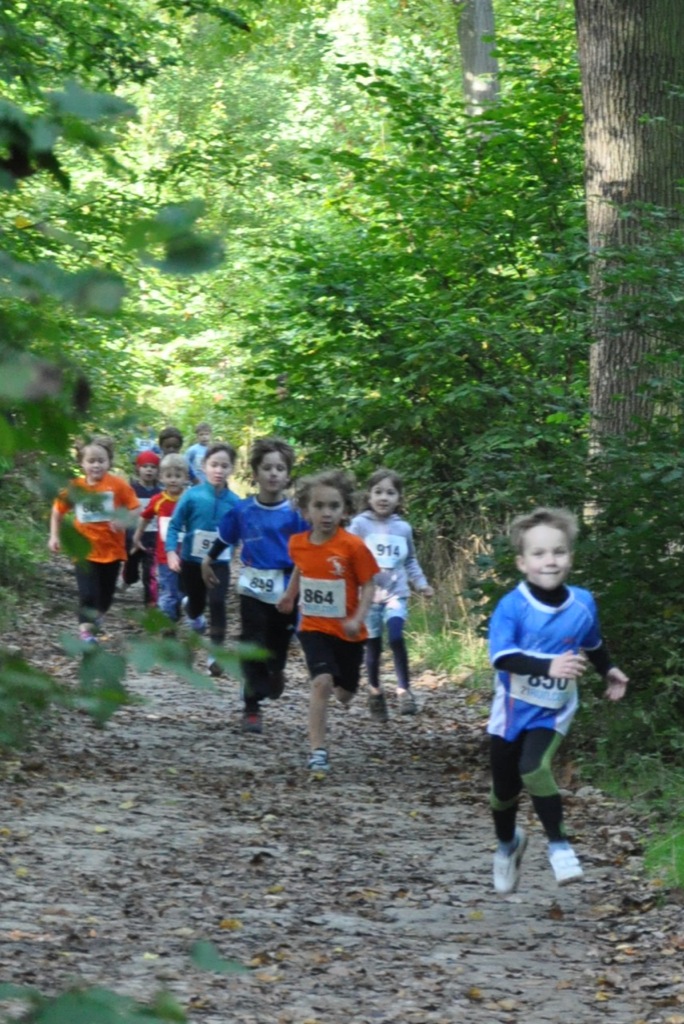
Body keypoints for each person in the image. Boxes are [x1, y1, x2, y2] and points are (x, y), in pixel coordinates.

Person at [487, 506, 629, 894]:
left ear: (570, 557)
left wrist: (608, 669)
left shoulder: (582, 602)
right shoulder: (512, 606)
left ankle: (559, 846)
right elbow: (502, 657)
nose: (550, 560)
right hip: (511, 709)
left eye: (559, 552)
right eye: (539, 553)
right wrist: (549, 666)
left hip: (554, 709)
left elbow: (592, 642)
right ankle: (507, 845)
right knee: (503, 791)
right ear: (522, 562)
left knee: (534, 767)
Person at [201, 437, 308, 734]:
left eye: (280, 469)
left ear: (287, 475)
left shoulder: (296, 514)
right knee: (251, 642)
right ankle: (251, 707)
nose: (273, 474)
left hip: (286, 586)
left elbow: (309, 552)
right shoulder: (243, 510)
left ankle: (276, 670)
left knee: (276, 647)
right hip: (252, 586)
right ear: (255, 473)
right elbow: (225, 537)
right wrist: (207, 560)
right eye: (267, 468)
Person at [277, 469, 379, 774]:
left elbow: (369, 584)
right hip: (313, 627)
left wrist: (358, 618)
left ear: (345, 510)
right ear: (305, 511)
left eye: (334, 506)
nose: (326, 513)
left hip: (348, 632)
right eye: (319, 506)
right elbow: (302, 567)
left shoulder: (353, 546)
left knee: (345, 693)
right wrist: (289, 595)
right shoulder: (298, 543)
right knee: (321, 682)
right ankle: (317, 751)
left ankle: (343, 684)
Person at [349, 468, 433, 719]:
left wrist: (421, 584)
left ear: (399, 498)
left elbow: (410, 560)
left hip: (396, 593)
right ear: (369, 496)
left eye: (390, 493)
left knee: (396, 636)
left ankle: (404, 690)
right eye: (378, 492)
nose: (384, 498)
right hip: (368, 597)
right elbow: (348, 553)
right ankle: (375, 691)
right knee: (373, 646)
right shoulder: (360, 525)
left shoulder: (403, 528)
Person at [48, 436, 140, 643]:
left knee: (105, 597)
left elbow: (135, 509)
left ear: (109, 462)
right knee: (87, 594)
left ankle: (98, 617)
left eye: (101, 460)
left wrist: (123, 521)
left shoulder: (118, 485)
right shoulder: (75, 487)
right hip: (84, 551)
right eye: (91, 461)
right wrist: (54, 535)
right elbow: (57, 511)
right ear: (82, 463)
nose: (96, 465)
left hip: (112, 551)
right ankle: (86, 635)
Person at [165, 442, 239, 675]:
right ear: (204, 466)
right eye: (214, 465)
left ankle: (215, 656)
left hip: (219, 563)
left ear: (232, 469)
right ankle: (193, 614)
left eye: (224, 466)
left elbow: (241, 533)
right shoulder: (192, 496)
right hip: (192, 562)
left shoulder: (235, 502)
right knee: (196, 606)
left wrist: (240, 552)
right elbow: (174, 525)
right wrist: (170, 551)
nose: (219, 470)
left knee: (217, 603)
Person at [131, 453, 188, 625]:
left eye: (177, 476)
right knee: (168, 591)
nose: (173, 480)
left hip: (187, 556)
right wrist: (137, 536)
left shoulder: (190, 499)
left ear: (185, 477)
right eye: (169, 476)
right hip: (165, 556)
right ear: (161, 477)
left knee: (182, 592)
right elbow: (145, 517)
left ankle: (178, 610)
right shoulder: (158, 500)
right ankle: (167, 625)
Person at [122, 450, 161, 606]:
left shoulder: (161, 493)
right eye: (145, 466)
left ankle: (150, 603)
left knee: (150, 573)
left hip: (153, 539)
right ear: (138, 468)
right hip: (132, 538)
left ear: (158, 470)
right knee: (131, 570)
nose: (149, 470)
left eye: (153, 467)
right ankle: (128, 578)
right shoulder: (131, 490)